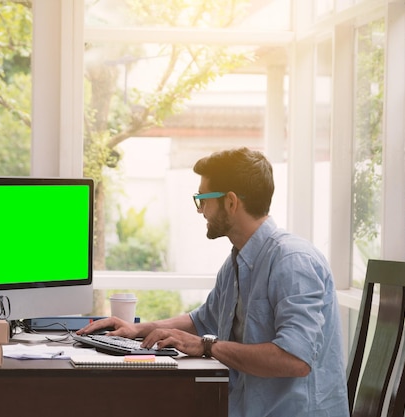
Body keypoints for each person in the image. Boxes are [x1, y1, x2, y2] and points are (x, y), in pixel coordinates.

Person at [77, 148, 349, 417]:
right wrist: (137, 330)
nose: (200, 211)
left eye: (203, 199)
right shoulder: (236, 263)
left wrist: (208, 346)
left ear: (230, 202)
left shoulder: (292, 261)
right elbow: (201, 320)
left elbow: (295, 360)